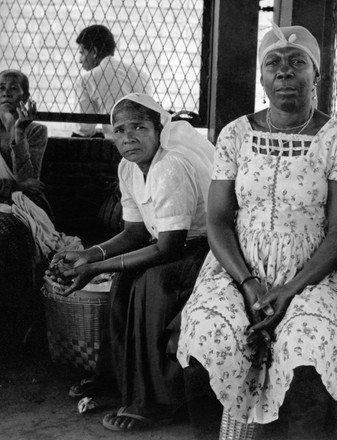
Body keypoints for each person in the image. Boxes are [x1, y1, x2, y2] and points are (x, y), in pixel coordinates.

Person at [177, 24, 337, 440]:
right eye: (273, 63)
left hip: (314, 273)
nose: (284, 72)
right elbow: (218, 220)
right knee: (205, 341)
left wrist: (291, 289)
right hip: (236, 267)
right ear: (262, 78)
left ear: (316, 75)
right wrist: (247, 283)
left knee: (309, 346)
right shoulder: (235, 135)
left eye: (297, 62)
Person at [48, 93, 214, 432]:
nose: (128, 137)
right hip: (171, 247)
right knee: (124, 282)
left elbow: (168, 248)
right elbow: (135, 232)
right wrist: (90, 255)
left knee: (152, 284)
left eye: (139, 127)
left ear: (159, 130)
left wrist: (95, 269)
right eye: (120, 130)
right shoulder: (129, 168)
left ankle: (157, 401)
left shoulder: (170, 165)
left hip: (206, 252)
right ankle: (122, 381)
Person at [0, 69, 52, 351]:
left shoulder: (35, 131)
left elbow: (32, 181)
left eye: (14, 88)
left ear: (26, 97)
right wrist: (14, 185)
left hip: (24, 209)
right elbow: (23, 183)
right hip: (8, 200)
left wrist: (16, 131)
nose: (6, 92)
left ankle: (14, 329)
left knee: (7, 239)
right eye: (1, 88)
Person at [72, 24, 152, 138]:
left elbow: (84, 129)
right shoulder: (140, 73)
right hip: (147, 142)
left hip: (117, 146)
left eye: (82, 53)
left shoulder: (87, 80)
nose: (80, 60)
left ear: (94, 51)